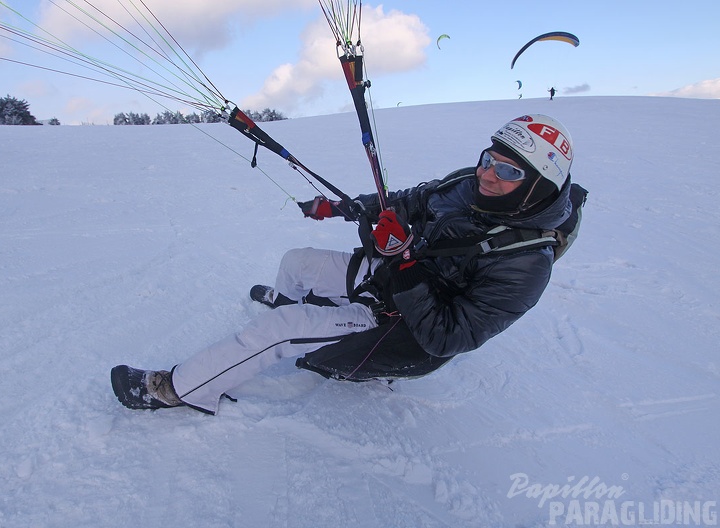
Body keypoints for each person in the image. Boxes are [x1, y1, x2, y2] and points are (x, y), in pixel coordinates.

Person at [111, 114, 576, 415]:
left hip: (404, 329)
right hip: (393, 275)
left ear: (539, 185)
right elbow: (406, 202)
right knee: (295, 262)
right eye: (488, 160)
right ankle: (289, 308)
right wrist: (341, 208)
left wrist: (404, 262)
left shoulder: (526, 264)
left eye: (508, 172)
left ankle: (180, 389)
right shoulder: (466, 184)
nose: (487, 174)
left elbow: (445, 337)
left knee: (285, 328)